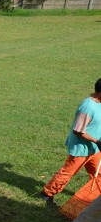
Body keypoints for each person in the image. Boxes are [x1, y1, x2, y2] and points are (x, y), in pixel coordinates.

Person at [40, 78, 101, 207]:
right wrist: (97, 141)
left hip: (94, 149)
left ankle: (96, 196)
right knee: (67, 173)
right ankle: (47, 193)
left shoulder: (99, 103)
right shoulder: (87, 107)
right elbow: (78, 131)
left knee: (99, 173)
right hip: (82, 149)